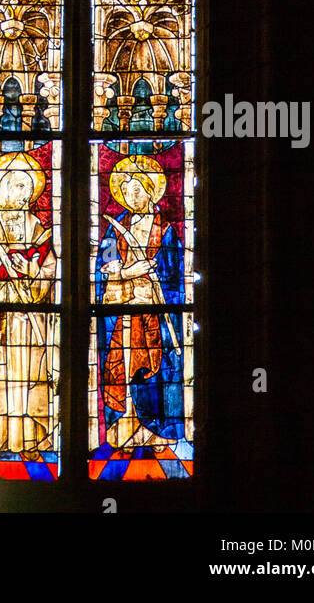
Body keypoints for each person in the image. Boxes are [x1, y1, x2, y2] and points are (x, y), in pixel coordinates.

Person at [0, 152, 56, 456]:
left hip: (28, 318)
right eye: (18, 188)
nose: (24, 197)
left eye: (28, 191)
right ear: (2, 187)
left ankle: (27, 439)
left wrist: (31, 270)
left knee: (27, 376)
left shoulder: (36, 228)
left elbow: (49, 270)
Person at [94, 155, 184, 449]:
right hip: (123, 310)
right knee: (123, 363)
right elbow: (106, 266)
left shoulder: (166, 229)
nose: (132, 196)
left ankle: (154, 427)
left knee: (153, 367)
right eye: (127, 191)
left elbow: (175, 274)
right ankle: (125, 421)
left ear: (150, 191)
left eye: (137, 190)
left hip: (154, 312)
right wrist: (131, 272)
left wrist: (157, 282)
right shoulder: (114, 228)